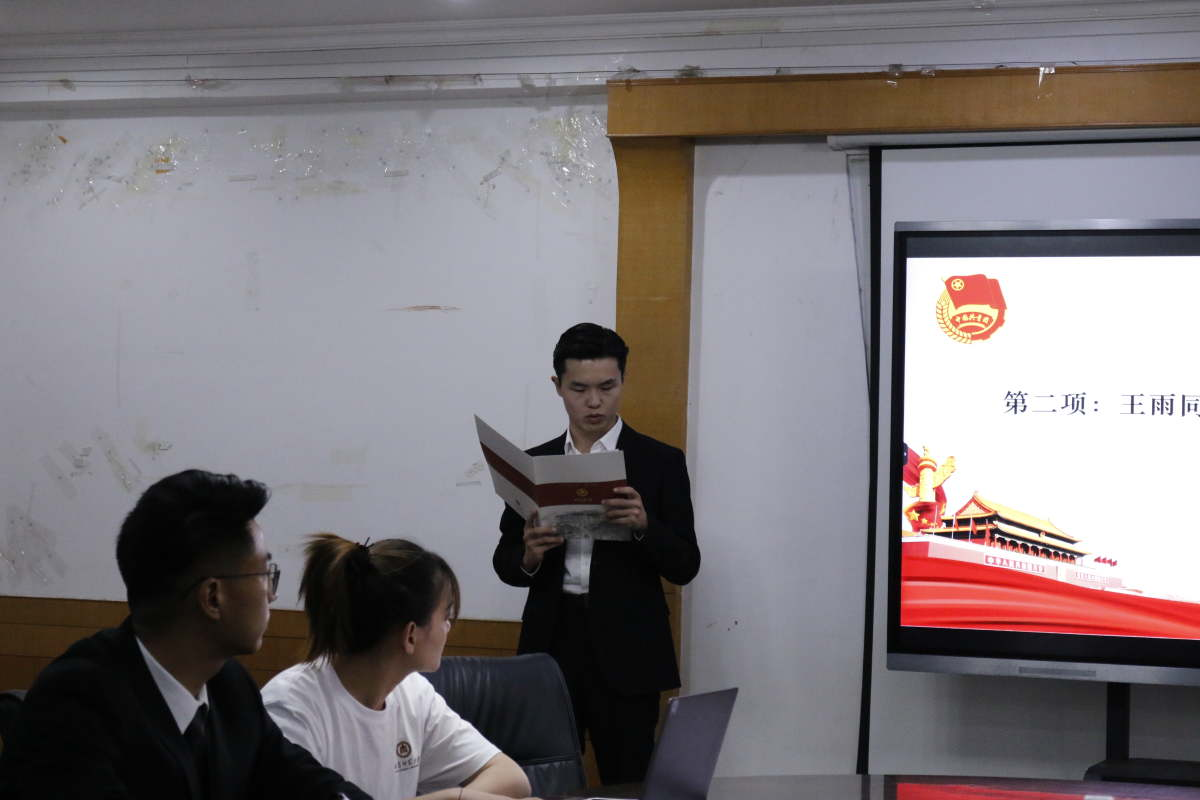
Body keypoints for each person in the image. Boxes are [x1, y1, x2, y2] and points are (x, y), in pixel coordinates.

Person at [0, 469, 370, 799]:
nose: (271, 595)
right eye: (264, 575)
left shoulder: (229, 686)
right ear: (213, 597)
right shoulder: (76, 706)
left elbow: (301, 780)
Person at [492, 322, 701, 785]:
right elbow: (505, 562)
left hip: (630, 652)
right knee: (542, 781)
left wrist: (645, 526)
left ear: (623, 381)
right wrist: (529, 554)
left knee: (629, 781)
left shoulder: (660, 461)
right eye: (579, 389)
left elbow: (686, 565)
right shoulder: (534, 463)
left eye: (607, 387)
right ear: (558, 386)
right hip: (551, 646)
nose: (594, 402)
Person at [262, 533, 534, 800]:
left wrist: (458, 796)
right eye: (446, 615)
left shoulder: (412, 692)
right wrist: (452, 798)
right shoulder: (290, 707)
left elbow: (511, 777)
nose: (448, 627)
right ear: (411, 635)